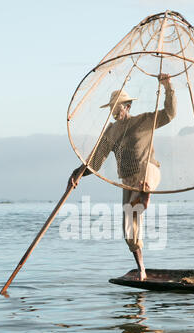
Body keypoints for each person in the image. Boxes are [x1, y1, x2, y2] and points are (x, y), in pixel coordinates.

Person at [68, 73, 176, 281]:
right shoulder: (111, 131)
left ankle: (144, 196)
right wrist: (77, 173)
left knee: (144, 184)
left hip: (148, 171)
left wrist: (167, 86)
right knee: (129, 229)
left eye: (117, 106)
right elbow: (96, 161)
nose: (114, 111)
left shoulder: (142, 121)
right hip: (128, 180)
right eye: (112, 108)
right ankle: (142, 269)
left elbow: (170, 114)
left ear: (127, 106)